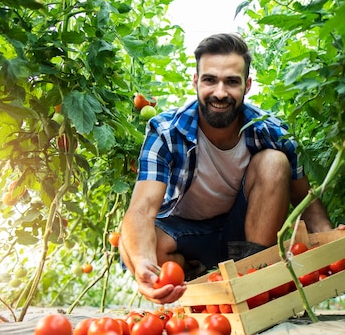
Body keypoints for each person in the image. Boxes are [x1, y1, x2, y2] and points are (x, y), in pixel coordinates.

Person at [119, 33, 333, 304]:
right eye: (210, 80)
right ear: (196, 82)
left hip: (242, 230)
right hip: (186, 233)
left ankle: (253, 278)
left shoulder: (271, 132)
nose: (220, 93)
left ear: (247, 85)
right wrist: (143, 265)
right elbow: (141, 209)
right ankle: (192, 273)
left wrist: (334, 243)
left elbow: (306, 202)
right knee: (136, 246)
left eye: (232, 82)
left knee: (274, 162)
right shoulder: (166, 132)